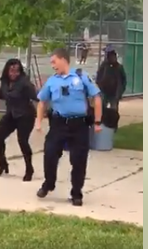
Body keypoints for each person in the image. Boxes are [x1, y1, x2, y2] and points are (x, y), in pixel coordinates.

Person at [35, 48, 102, 206]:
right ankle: (49, 183)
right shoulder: (52, 81)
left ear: (63, 60)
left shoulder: (81, 76)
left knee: (79, 160)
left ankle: (76, 193)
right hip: (58, 124)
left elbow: (96, 97)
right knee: (50, 153)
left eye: (54, 61)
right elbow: (42, 101)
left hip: (79, 125)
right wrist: (38, 121)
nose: (52, 65)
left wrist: (98, 122)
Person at [0, 59, 39, 181]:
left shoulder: (25, 83)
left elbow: (36, 97)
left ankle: (29, 169)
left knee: (22, 141)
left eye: (16, 71)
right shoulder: (5, 82)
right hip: (11, 114)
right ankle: (2, 164)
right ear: (7, 70)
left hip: (25, 115)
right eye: (11, 71)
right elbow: (4, 95)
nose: (14, 73)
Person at [95, 45, 127, 110]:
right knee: (102, 109)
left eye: (113, 56)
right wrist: (100, 86)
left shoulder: (119, 67)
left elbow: (123, 80)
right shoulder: (104, 66)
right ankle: (103, 119)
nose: (112, 58)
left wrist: (120, 91)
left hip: (114, 93)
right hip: (104, 92)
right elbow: (98, 77)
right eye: (110, 56)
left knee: (114, 110)